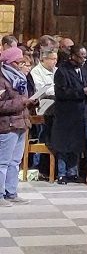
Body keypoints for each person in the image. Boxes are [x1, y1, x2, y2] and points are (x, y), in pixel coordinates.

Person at [49, 45, 87, 185]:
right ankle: (62, 173)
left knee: (76, 144)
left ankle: (73, 172)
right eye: (81, 56)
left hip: (80, 113)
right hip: (66, 113)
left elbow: (86, 85)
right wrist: (81, 92)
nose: (84, 59)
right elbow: (61, 92)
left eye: (85, 56)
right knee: (64, 145)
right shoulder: (62, 71)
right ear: (73, 56)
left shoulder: (84, 70)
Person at [0, 47, 31, 204]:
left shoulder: (20, 78)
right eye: (19, 62)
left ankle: (11, 192)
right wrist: (22, 102)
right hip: (7, 124)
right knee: (3, 162)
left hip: (21, 122)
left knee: (15, 161)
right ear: (10, 63)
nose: (21, 65)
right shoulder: (2, 79)